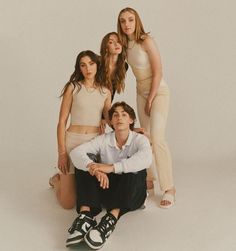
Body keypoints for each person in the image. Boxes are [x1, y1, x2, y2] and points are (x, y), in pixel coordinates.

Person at [66, 102, 152, 249]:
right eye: (115, 115)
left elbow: (146, 159)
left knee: (135, 170)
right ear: (110, 121)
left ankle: (110, 219)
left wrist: (110, 168)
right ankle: (85, 216)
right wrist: (95, 169)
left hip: (131, 194)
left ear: (131, 120)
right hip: (107, 190)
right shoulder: (104, 139)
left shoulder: (139, 140)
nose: (119, 117)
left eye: (124, 114)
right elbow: (76, 153)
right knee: (85, 165)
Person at [117, 7, 176, 208]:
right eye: (123, 21)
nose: (127, 24)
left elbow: (159, 71)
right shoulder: (125, 46)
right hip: (141, 91)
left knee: (158, 138)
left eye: (130, 20)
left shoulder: (146, 41)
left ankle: (169, 188)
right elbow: (118, 71)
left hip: (158, 91)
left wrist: (150, 98)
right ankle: (149, 180)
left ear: (137, 21)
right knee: (145, 137)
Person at [49, 50, 111, 209]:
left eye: (91, 63)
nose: (88, 68)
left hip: (93, 144)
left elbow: (111, 120)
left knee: (91, 196)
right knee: (68, 204)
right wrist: (62, 153)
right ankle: (56, 181)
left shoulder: (105, 92)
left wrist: (133, 128)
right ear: (79, 68)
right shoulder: (73, 87)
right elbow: (62, 122)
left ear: (97, 65)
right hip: (72, 141)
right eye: (83, 65)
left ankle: (70, 180)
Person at [99, 32, 128, 102]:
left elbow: (113, 91)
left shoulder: (124, 66)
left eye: (118, 41)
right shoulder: (98, 63)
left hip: (107, 102)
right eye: (111, 42)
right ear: (106, 47)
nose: (116, 44)